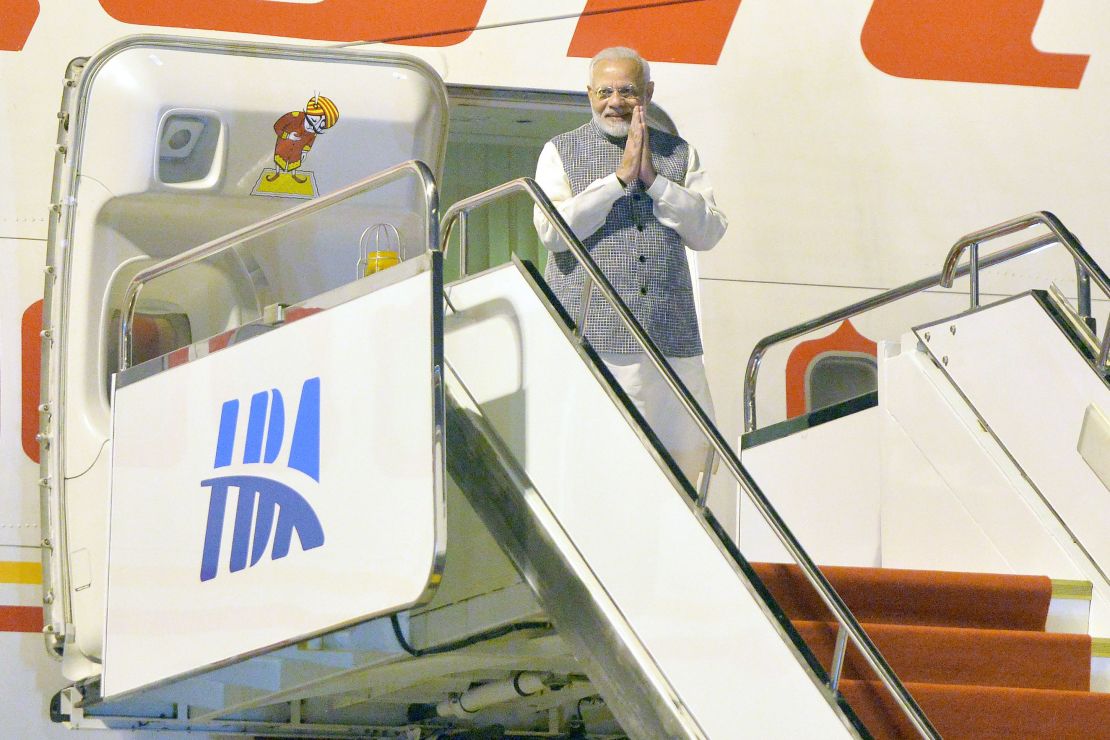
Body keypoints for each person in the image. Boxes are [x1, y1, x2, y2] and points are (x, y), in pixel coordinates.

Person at [532, 46, 728, 484]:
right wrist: (617, 181)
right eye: (605, 91)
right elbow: (551, 232)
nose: (615, 102)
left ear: (648, 93)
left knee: (686, 465)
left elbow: (709, 232)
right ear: (589, 95)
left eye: (627, 91)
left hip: (669, 339)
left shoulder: (680, 154)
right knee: (596, 464)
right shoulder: (560, 151)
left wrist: (656, 183)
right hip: (592, 336)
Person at [267, 95, 340, 183]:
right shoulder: (294, 116)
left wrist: (305, 152)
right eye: (313, 120)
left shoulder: (314, 132)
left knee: (294, 162)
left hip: (297, 150)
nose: (314, 127)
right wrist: (287, 136)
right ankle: (277, 173)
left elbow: (310, 142)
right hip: (283, 147)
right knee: (279, 159)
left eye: (321, 126)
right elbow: (277, 126)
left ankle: (293, 175)